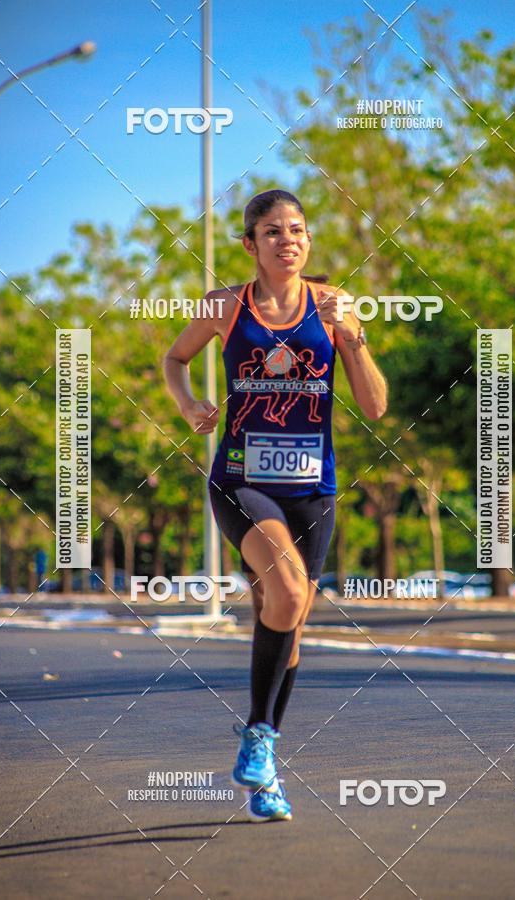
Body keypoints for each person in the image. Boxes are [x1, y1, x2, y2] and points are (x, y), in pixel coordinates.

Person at [164, 189, 387, 822]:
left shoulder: (334, 305)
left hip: (313, 488)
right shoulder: (224, 306)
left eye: (297, 230)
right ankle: (259, 738)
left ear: (308, 240)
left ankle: (264, 773)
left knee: (289, 620)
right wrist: (187, 404)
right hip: (242, 480)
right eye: (272, 231)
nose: (287, 240)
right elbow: (174, 359)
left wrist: (353, 339)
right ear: (250, 245)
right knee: (288, 594)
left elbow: (375, 407)